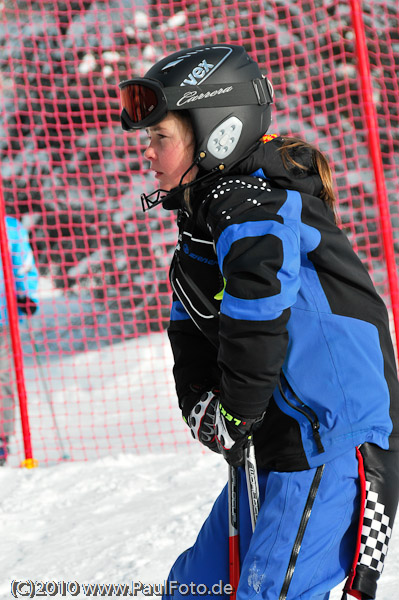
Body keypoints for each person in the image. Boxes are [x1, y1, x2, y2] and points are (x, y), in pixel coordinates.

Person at [119, 44, 399, 600]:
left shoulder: (254, 207)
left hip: (332, 446)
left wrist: (236, 408)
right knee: (196, 587)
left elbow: (258, 309)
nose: (148, 155)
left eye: (160, 138)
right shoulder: (206, 217)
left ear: (216, 133)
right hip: (276, 441)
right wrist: (198, 398)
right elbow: (189, 316)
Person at [0, 216, 39, 465]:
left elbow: (22, 263)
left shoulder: (9, 227)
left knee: (2, 375)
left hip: (2, 316)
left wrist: (26, 294)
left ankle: (1, 438)